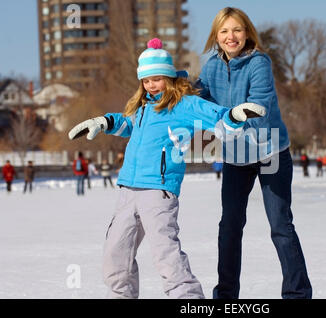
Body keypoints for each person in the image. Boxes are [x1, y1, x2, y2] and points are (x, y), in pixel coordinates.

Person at [67, 38, 265, 299]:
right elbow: (127, 124)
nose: (151, 85)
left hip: (158, 191)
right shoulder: (143, 107)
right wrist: (104, 122)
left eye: (157, 79)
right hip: (128, 189)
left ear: (169, 78)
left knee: (165, 252)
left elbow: (214, 115)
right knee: (115, 253)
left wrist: (235, 115)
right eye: (146, 80)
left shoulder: (182, 105)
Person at [196, 7, 312, 299]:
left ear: (246, 32)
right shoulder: (211, 66)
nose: (230, 36)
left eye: (236, 30)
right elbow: (201, 100)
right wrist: (177, 86)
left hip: (270, 150)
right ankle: (225, 295)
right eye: (224, 31)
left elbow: (259, 109)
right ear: (216, 36)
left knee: (280, 226)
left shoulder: (259, 62)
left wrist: (227, 125)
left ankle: (297, 294)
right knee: (230, 226)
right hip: (236, 156)